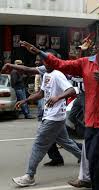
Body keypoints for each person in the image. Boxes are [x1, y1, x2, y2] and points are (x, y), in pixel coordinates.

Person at [19, 35, 99, 190]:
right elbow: (61, 64)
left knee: (95, 156)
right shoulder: (85, 63)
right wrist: (39, 52)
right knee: (91, 157)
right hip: (90, 120)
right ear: (96, 48)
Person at [12, 59, 82, 187]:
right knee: (66, 143)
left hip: (54, 117)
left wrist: (58, 97)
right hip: (52, 116)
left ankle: (29, 175)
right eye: (44, 61)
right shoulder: (46, 74)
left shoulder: (58, 74)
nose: (45, 64)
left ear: (55, 62)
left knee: (39, 144)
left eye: (48, 61)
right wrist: (26, 100)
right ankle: (89, 160)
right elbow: (41, 93)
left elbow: (71, 90)